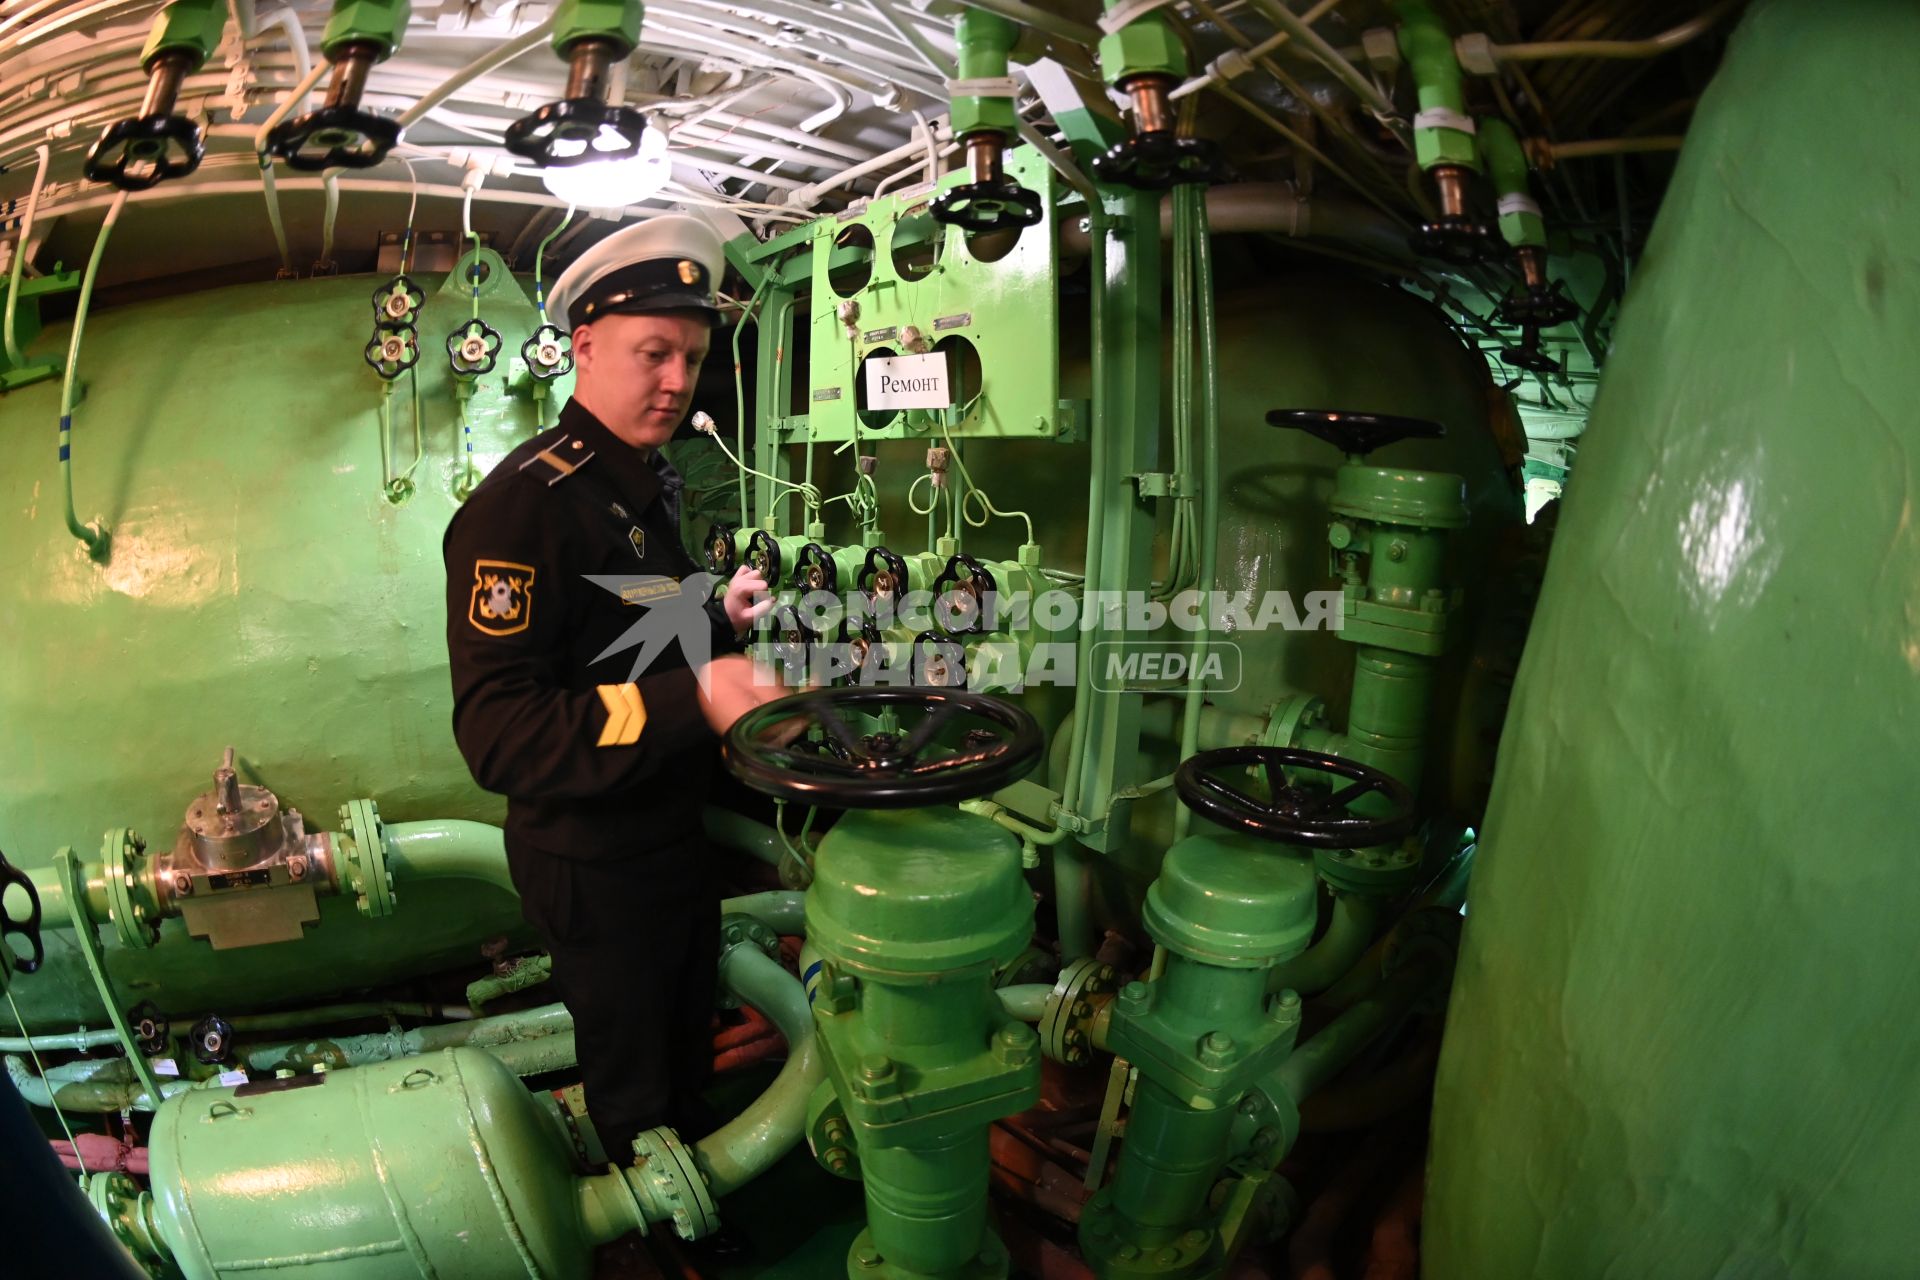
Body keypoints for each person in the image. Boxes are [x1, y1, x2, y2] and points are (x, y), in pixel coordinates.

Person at [442, 214, 779, 1166]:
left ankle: (693, 1167)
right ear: (585, 347)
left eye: (692, 356)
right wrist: (701, 700)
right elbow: (500, 734)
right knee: (636, 1073)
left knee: (682, 1033)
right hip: (594, 857)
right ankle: (659, 1214)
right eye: (653, 354)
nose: (677, 382)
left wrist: (721, 624)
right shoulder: (522, 510)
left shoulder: (631, 481)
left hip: (663, 831)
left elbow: (621, 635)